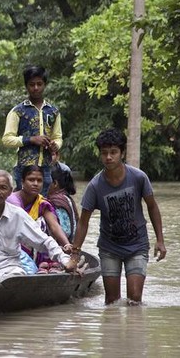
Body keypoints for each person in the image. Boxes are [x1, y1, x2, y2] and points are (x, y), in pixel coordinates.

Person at [70, 128, 166, 305]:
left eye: (113, 152)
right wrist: (75, 253)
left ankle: (133, 331)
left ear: (122, 153)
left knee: (135, 298)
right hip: (110, 247)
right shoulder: (95, 186)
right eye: (104, 153)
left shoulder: (138, 177)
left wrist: (160, 240)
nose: (108, 157)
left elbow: (152, 207)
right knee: (112, 301)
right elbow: (83, 222)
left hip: (137, 244)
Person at [2, 65, 62, 196]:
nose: (36, 88)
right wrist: (31, 139)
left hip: (46, 168)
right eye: (32, 84)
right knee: (23, 208)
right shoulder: (17, 111)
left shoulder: (53, 111)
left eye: (39, 84)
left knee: (42, 206)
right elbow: (7, 139)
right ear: (26, 86)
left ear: (45, 85)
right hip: (24, 169)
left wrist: (55, 145)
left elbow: (58, 137)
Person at [7, 165, 73, 273]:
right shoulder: (13, 200)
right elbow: (25, 225)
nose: (35, 184)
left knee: (43, 222)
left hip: (36, 243)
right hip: (14, 244)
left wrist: (67, 245)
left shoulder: (42, 202)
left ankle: (43, 262)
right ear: (22, 182)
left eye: (39, 180)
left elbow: (54, 226)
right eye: (31, 180)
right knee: (36, 224)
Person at [47, 164, 79, 241]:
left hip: (61, 247)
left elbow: (65, 231)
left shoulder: (55, 201)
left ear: (55, 183)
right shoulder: (67, 198)